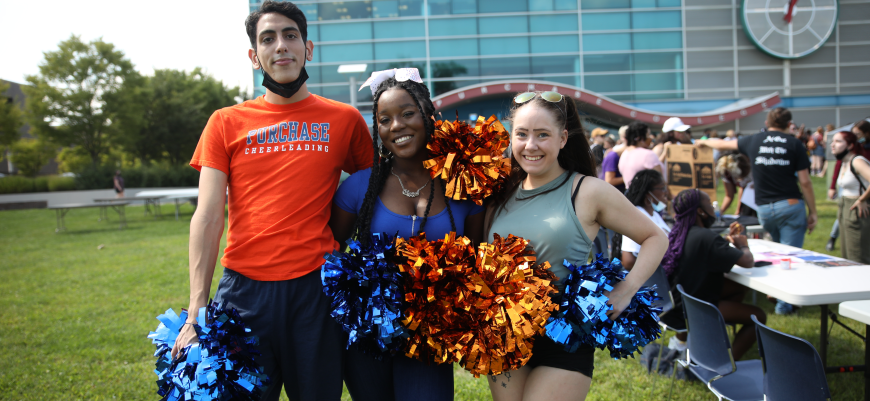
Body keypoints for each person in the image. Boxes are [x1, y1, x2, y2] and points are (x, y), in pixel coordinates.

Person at [174, 2, 374, 400]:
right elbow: (208, 216)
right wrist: (196, 306)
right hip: (243, 295)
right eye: (268, 38)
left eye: (290, 35)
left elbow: (377, 192)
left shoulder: (345, 119)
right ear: (254, 56)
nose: (280, 46)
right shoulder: (224, 122)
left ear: (308, 48)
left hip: (314, 293)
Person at [485, 91, 668, 401]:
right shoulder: (500, 191)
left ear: (563, 138)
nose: (531, 145)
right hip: (506, 334)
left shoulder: (588, 191)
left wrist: (626, 289)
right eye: (522, 134)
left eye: (543, 135)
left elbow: (656, 238)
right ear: (511, 137)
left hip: (565, 337)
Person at [328, 70, 485, 401]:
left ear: (429, 115)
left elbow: (476, 259)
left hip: (429, 336)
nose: (396, 126)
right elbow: (329, 251)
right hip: (370, 335)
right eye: (384, 119)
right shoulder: (360, 186)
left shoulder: (463, 185)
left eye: (407, 113)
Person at [698, 107, 816, 315]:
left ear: (767, 121)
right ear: (789, 124)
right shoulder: (795, 144)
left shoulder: (754, 140)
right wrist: (813, 211)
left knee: (778, 252)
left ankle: (777, 293)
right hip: (789, 205)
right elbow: (805, 182)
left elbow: (723, 144)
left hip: (764, 210)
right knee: (788, 257)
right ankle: (784, 307)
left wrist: (702, 141)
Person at [661, 189, 762, 360]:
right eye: (709, 204)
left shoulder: (676, 234)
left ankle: (710, 337)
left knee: (738, 288)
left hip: (672, 307)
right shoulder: (707, 237)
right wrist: (743, 244)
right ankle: (727, 363)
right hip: (692, 310)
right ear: (700, 211)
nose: (713, 208)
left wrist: (724, 242)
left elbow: (710, 250)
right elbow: (747, 261)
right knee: (759, 316)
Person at [830, 130, 870, 264]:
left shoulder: (857, 161)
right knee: (847, 256)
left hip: (858, 212)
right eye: (833, 141)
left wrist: (862, 199)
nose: (833, 145)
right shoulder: (844, 161)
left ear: (850, 145)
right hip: (845, 208)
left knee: (858, 257)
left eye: (838, 141)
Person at [621, 170, 670, 271]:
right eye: (662, 188)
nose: (666, 192)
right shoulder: (636, 218)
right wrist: (659, 271)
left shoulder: (654, 214)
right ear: (648, 194)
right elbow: (628, 261)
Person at [618, 121, 662, 189]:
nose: (650, 138)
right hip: (648, 197)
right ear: (640, 138)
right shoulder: (648, 154)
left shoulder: (625, 153)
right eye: (648, 135)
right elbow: (660, 180)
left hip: (630, 195)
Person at [716, 152, 756, 218]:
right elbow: (729, 195)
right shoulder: (726, 172)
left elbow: (743, 187)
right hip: (747, 201)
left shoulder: (750, 167)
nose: (739, 180)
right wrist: (720, 213)